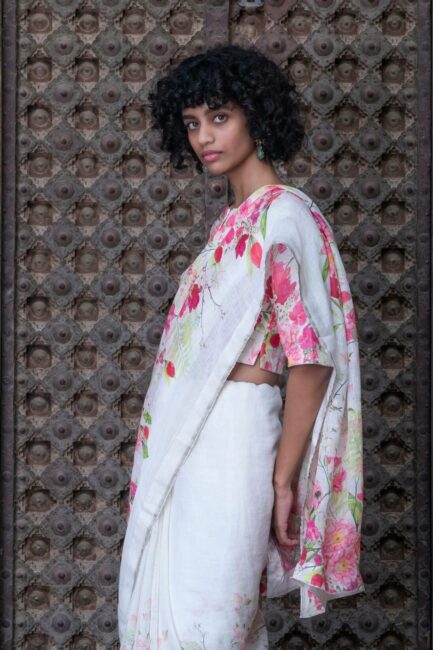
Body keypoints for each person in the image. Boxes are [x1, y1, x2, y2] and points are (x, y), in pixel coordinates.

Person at [118, 45, 364, 649]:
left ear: (257, 115)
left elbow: (311, 361)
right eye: (191, 123)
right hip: (190, 441)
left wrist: (283, 480)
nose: (204, 136)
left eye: (220, 117)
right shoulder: (231, 224)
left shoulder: (285, 216)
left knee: (211, 623)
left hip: (236, 442)